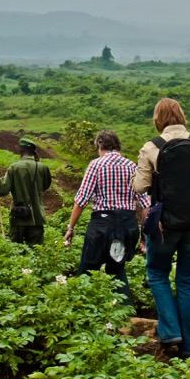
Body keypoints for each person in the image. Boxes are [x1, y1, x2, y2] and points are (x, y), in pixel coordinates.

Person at [132, 97, 190, 358]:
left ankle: (171, 332)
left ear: (157, 120)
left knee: (158, 274)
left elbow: (139, 187)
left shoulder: (152, 147)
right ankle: (188, 346)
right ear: (182, 116)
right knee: (188, 282)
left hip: (165, 225)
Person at [63, 130, 150, 307]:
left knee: (88, 266)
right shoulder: (131, 166)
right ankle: (126, 315)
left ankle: (81, 310)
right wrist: (144, 235)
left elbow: (81, 200)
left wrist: (70, 228)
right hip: (127, 224)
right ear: (118, 146)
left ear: (99, 145)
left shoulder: (96, 165)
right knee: (117, 266)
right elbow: (145, 204)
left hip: (102, 225)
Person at [0, 138, 52, 246]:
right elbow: (45, 186)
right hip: (37, 216)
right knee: (36, 250)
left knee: (16, 249)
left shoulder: (14, 167)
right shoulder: (42, 167)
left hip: (19, 217)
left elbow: (0, 189)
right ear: (33, 152)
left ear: (21, 151)